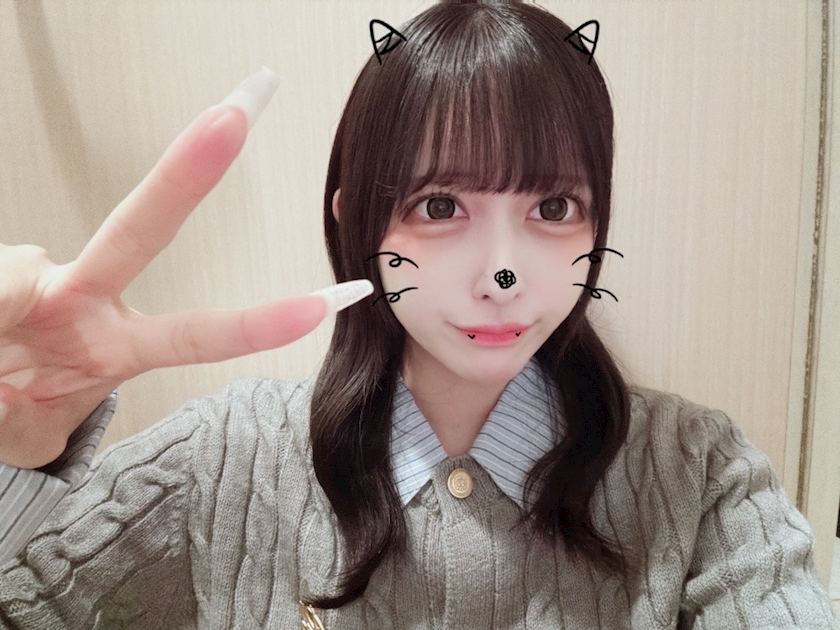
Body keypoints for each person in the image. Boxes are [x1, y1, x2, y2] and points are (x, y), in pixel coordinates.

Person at [0, 1, 837, 628]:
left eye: (553, 207)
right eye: (440, 206)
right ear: (355, 225)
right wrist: (13, 457)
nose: (503, 276)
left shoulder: (697, 474)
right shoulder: (219, 460)